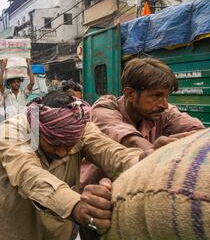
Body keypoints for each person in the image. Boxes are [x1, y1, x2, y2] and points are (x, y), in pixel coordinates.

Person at [0, 90, 154, 240]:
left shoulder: (81, 127)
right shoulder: (13, 131)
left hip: (59, 236)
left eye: (69, 146)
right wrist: (76, 205)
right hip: (12, 235)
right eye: (54, 144)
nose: (62, 153)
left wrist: (147, 162)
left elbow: (110, 151)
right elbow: (28, 174)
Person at [81, 58, 205, 188]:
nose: (164, 104)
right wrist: (154, 152)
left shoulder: (164, 112)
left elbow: (197, 130)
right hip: (96, 192)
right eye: (156, 96)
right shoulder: (105, 108)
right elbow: (130, 139)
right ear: (130, 94)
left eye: (166, 96)